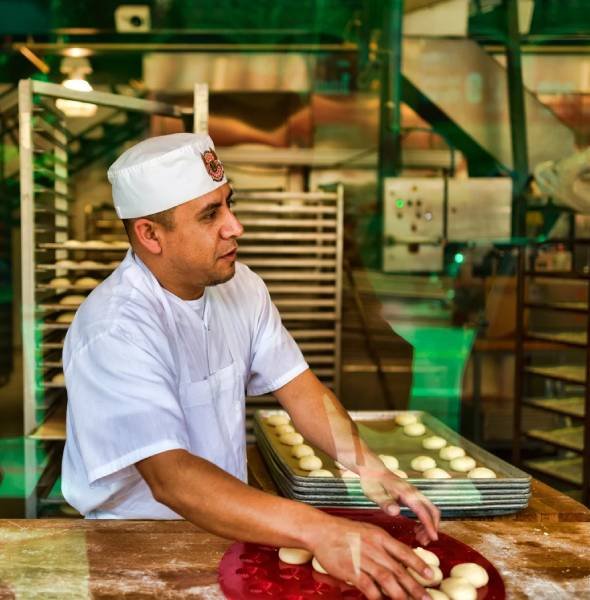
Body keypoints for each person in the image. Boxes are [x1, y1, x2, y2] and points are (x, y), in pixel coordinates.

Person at [62, 133, 440, 600]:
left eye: (228, 204)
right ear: (149, 234)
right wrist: (321, 531)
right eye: (210, 215)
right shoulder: (115, 329)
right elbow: (171, 477)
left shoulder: (241, 287)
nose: (234, 226)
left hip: (236, 526)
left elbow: (300, 389)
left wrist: (370, 469)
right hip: (139, 547)